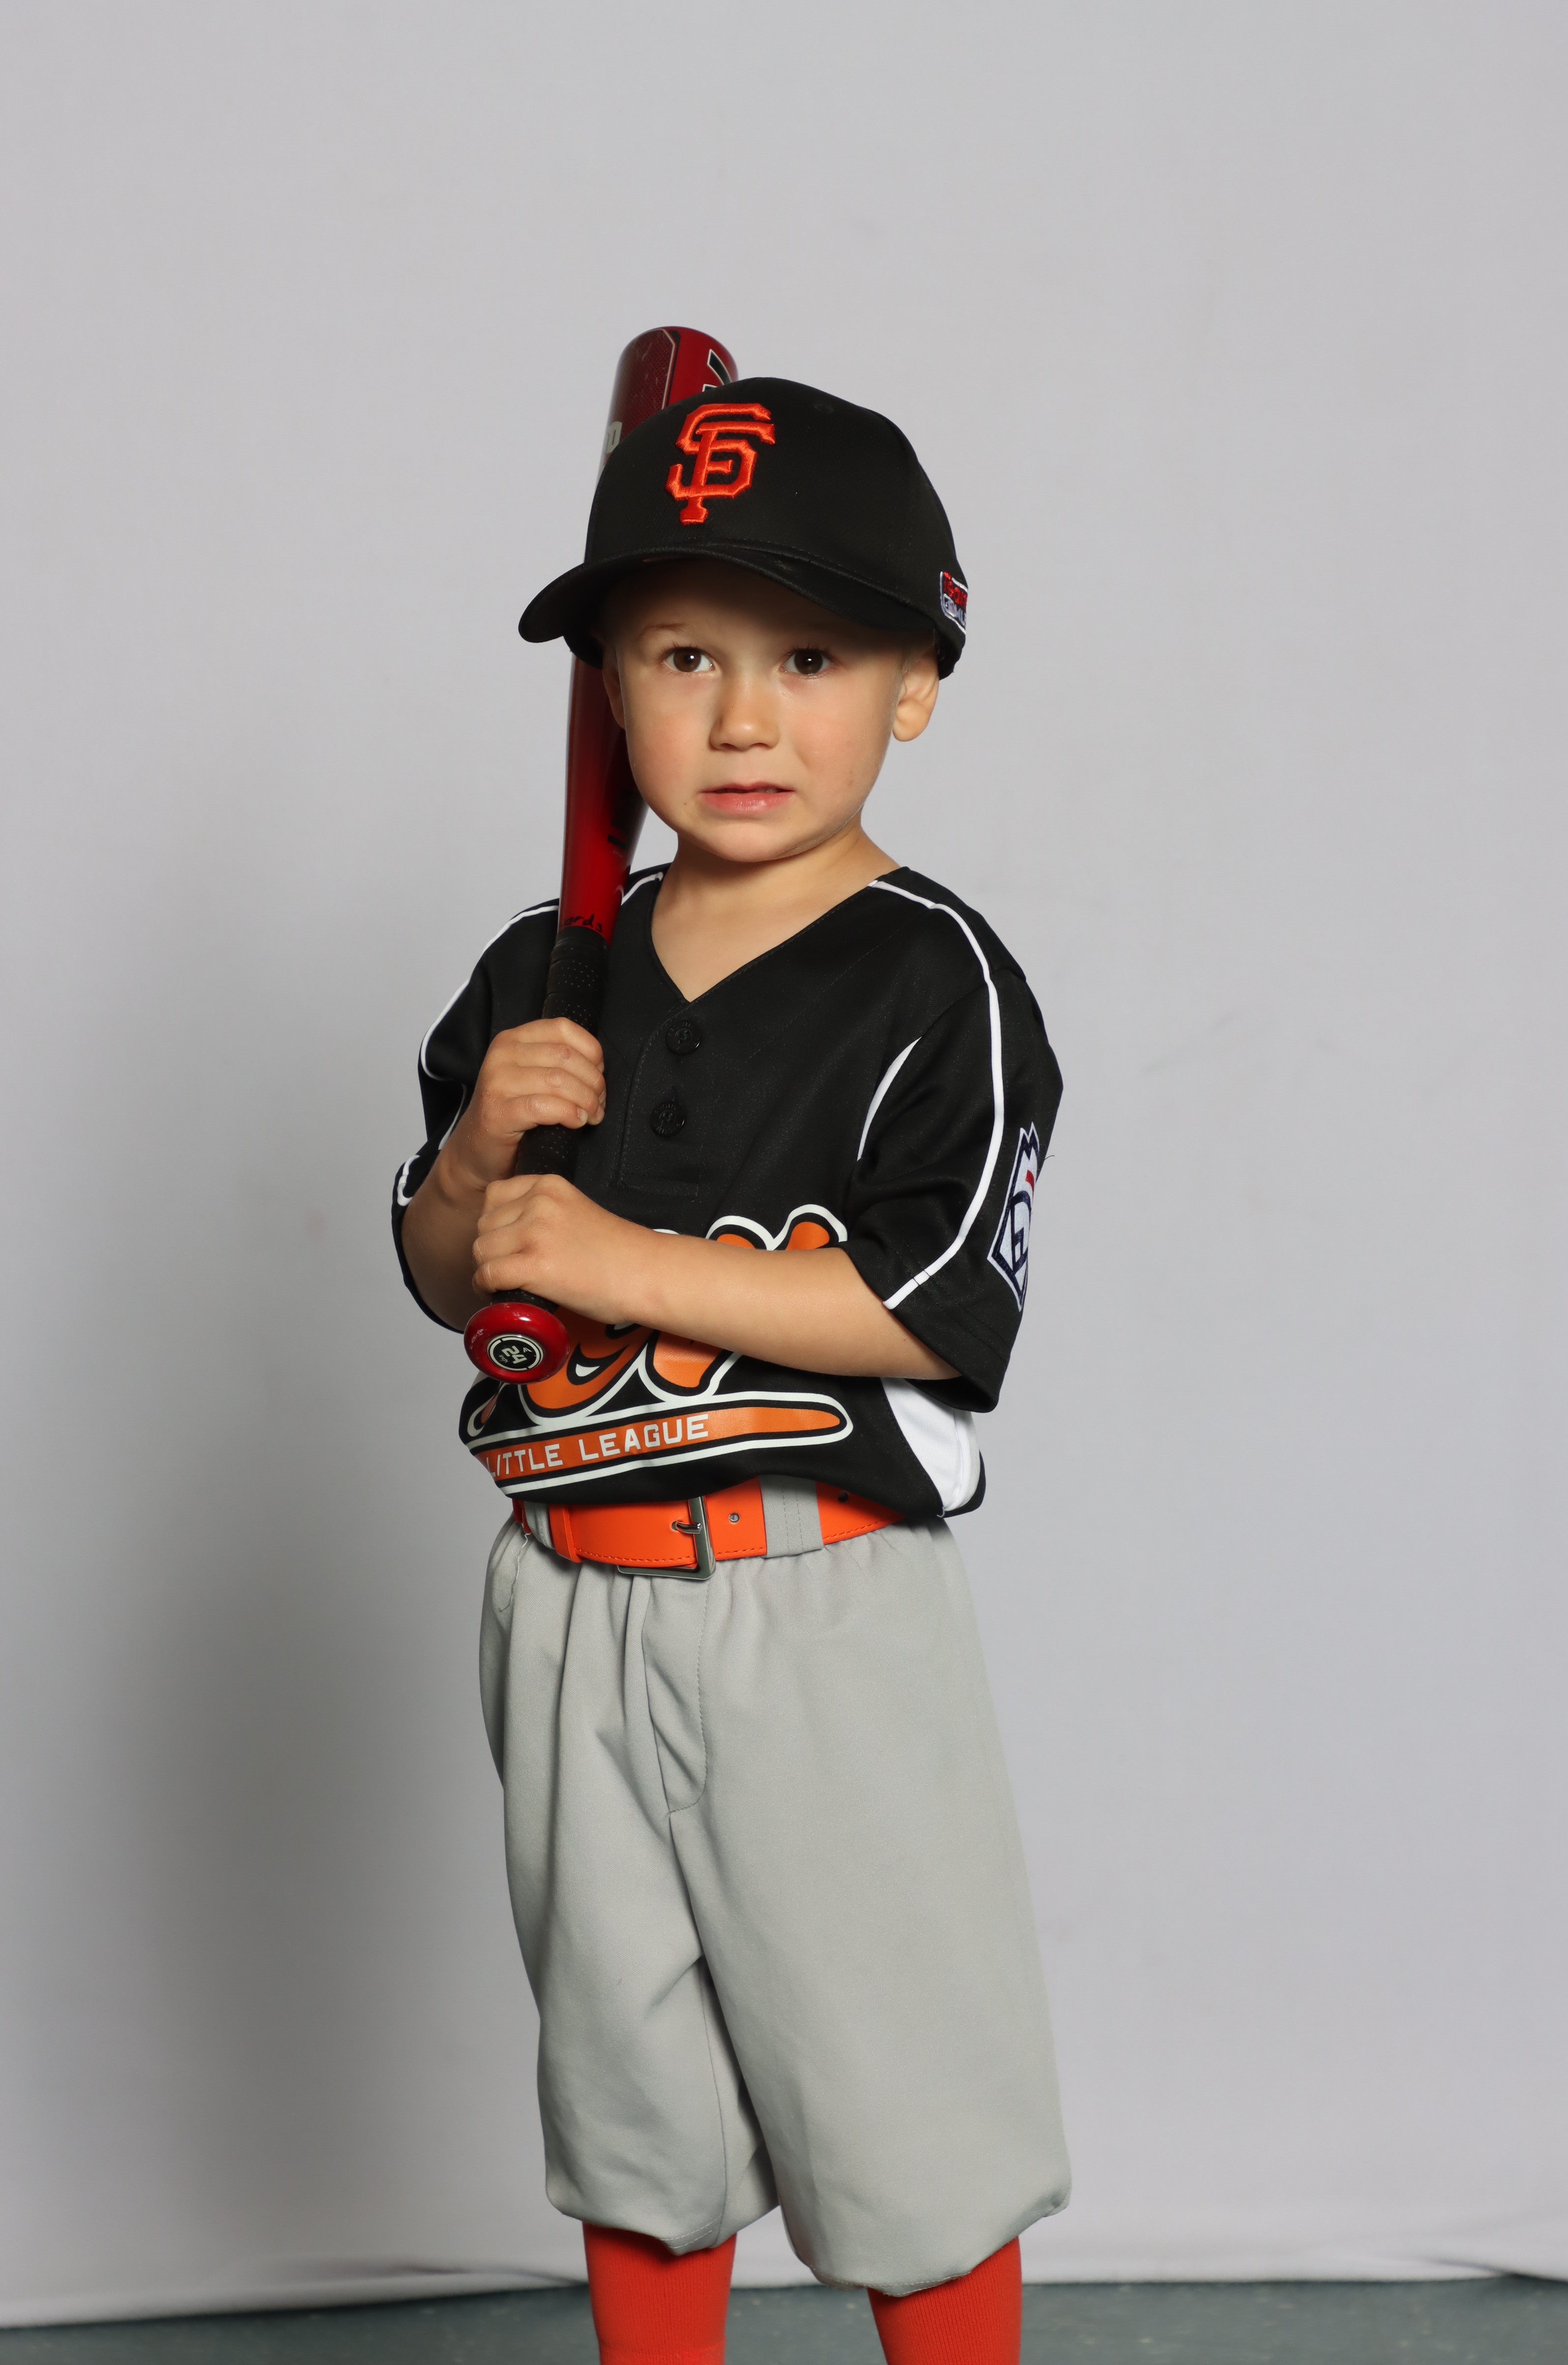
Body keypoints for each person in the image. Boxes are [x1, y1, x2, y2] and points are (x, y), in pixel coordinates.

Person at [394, 378, 1070, 2365]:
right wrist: (475, 1162)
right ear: (607, 690)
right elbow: (446, 1279)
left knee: (903, 2103)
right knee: (631, 2117)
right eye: (682, 655)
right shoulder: (541, 971)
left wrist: (621, 1258)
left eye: (811, 657)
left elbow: (937, 1307)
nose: (745, 717)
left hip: (812, 1601)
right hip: (566, 1598)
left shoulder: (933, 978)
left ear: (917, 684)